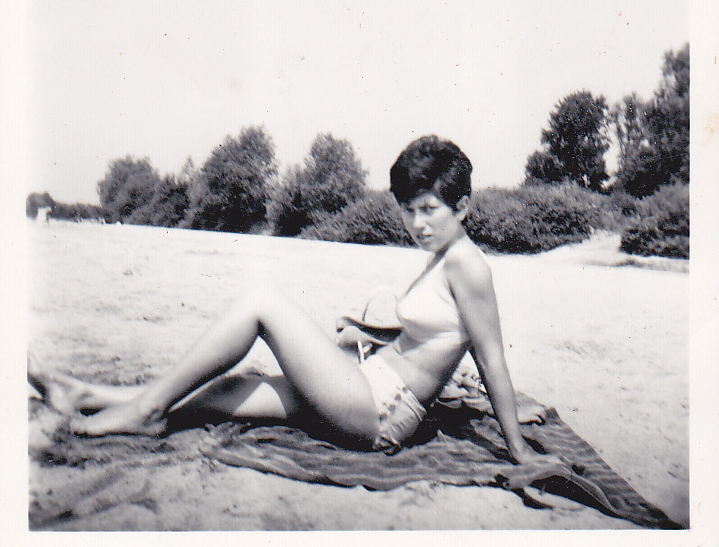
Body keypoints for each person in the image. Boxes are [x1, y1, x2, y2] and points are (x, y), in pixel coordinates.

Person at [29, 135, 555, 465]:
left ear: (462, 207)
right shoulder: (443, 255)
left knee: (263, 304)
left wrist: (518, 451)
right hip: (366, 384)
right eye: (407, 209)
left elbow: (490, 358)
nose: (416, 223)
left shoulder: (468, 265)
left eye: (428, 209)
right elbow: (437, 338)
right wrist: (369, 334)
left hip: (379, 411)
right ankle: (84, 394)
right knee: (229, 388)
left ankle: (144, 411)